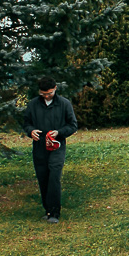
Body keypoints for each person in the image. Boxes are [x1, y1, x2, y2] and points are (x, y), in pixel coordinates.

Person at [22, 76, 78, 224]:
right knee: (43, 177)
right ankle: (47, 209)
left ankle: (54, 212)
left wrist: (59, 132)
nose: (46, 96)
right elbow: (26, 123)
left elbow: (73, 125)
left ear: (55, 89)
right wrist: (31, 131)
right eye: (43, 94)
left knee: (54, 175)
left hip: (57, 147)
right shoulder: (33, 104)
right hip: (39, 147)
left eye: (49, 93)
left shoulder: (64, 104)